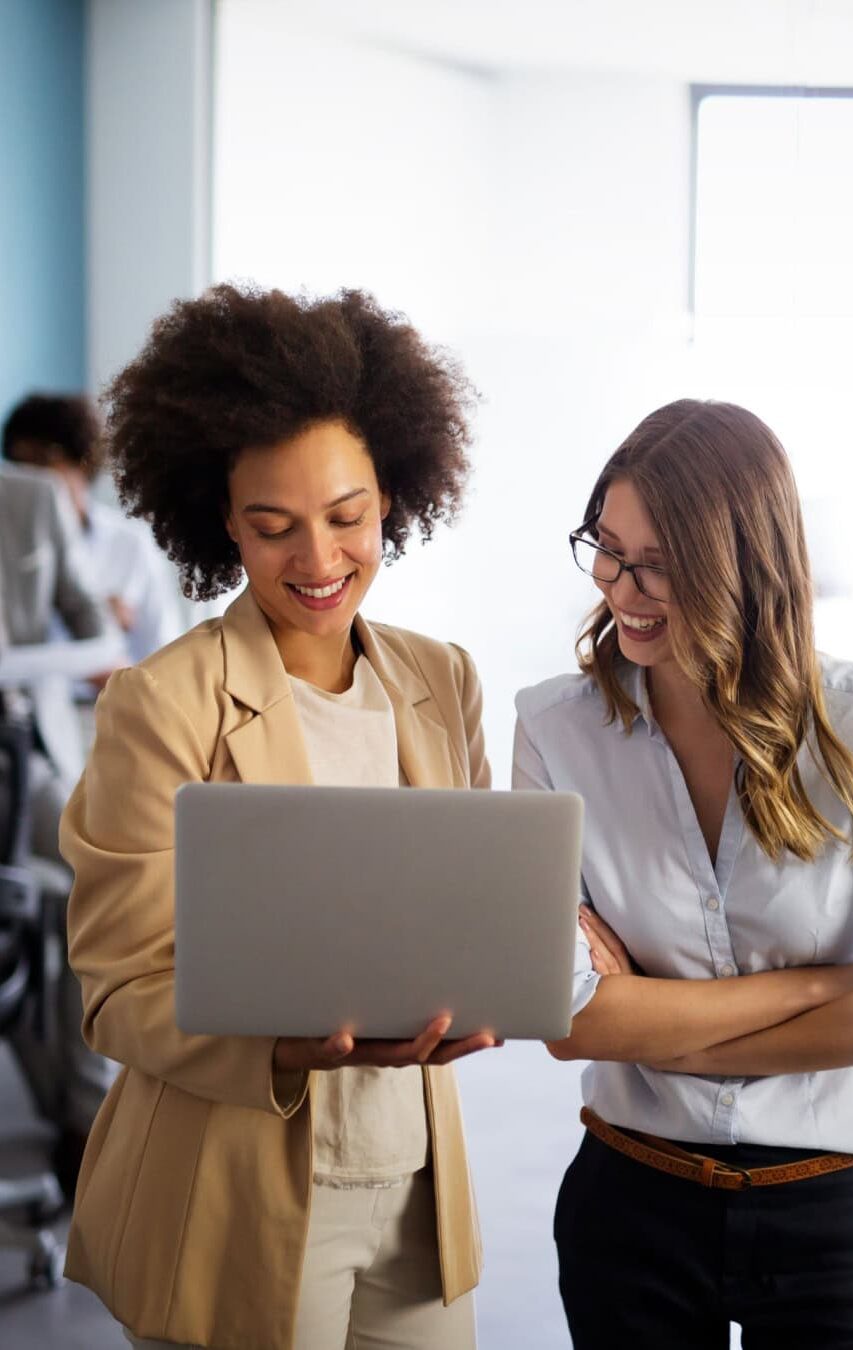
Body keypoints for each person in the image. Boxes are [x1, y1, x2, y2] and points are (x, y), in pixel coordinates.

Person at [59, 284, 497, 1349]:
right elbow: (117, 988)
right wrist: (282, 1048)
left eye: (347, 518)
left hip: (416, 1189)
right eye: (273, 527)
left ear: (391, 498)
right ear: (223, 522)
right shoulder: (162, 704)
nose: (318, 561)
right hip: (232, 1189)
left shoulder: (441, 681)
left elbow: (471, 906)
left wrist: (488, 986)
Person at [514, 399, 853, 1350]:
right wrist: (823, 986)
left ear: (745, 566)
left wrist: (664, 1034)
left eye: (659, 564)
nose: (622, 588)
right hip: (631, 1210)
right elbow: (571, 1021)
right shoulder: (555, 731)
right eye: (607, 550)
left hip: (837, 1212)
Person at [0, 445, 126, 1190]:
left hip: (21, 751)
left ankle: (86, 1115)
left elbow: (101, 634)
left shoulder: (34, 499)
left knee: (104, 877)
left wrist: (32, 664)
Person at [4, 392, 182, 665]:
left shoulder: (130, 543)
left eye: (43, 461)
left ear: (81, 460)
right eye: (20, 466)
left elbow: (164, 648)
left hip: (120, 685)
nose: (33, 477)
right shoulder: (12, 542)